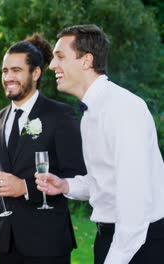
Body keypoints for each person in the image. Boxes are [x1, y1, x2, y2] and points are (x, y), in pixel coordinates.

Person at [36, 24, 164, 264]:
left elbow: (134, 207)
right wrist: (65, 186)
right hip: (109, 238)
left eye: (60, 56)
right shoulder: (90, 113)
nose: (52, 65)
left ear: (86, 61)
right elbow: (105, 183)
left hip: (139, 245)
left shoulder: (124, 109)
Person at [0, 34, 87, 264]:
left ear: (36, 73)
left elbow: (77, 176)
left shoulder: (60, 115)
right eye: (4, 71)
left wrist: (25, 188)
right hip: (6, 243)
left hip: (47, 243)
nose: (8, 77)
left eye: (16, 70)